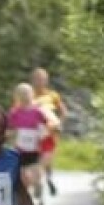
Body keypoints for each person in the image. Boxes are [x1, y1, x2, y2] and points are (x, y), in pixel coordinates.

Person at [6, 82, 50, 205]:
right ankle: (29, 203)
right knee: (24, 177)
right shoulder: (14, 113)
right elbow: (9, 130)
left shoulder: (38, 112)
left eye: (27, 93)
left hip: (34, 148)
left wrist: (41, 134)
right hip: (19, 149)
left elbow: (46, 128)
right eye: (22, 94)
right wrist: (13, 135)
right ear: (17, 96)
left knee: (36, 175)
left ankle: (40, 196)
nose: (25, 96)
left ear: (32, 95)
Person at [30, 67, 66, 197]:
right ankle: (39, 184)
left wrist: (59, 123)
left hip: (49, 134)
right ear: (33, 80)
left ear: (46, 81)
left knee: (46, 160)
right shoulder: (28, 95)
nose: (40, 82)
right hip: (33, 135)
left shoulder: (52, 95)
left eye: (43, 79)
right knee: (36, 161)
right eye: (37, 79)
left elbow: (63, 111)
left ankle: (46, 180)